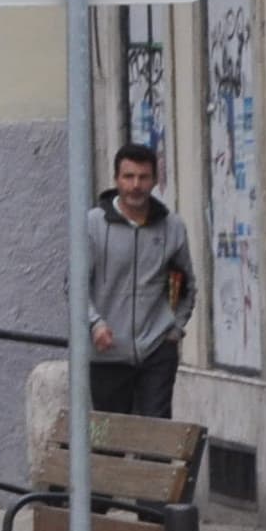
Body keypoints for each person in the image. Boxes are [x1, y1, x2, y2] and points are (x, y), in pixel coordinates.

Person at [88, 141, 195, 418]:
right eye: (128, 177)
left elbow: (185, 284)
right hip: (107, 352)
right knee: (110, 439)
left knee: (155, 436)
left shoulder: (172, 227)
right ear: (116, 180)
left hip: (157, 350)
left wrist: (175, 329)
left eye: (143, 177)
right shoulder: (93, 225)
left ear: (154, 181)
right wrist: (95, 324)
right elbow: (73, 286)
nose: (136, 185)